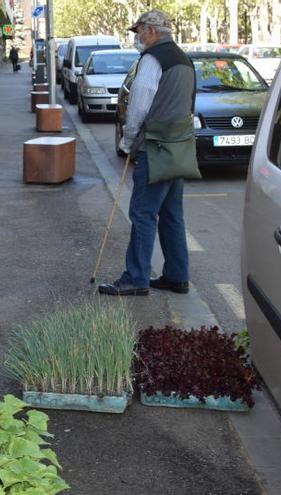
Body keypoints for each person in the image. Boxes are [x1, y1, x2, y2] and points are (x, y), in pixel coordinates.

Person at [98, 10, 196, 296]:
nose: (137, 36)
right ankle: (177, 276)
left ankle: (136, 277)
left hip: (155, 146)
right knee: (171, 214)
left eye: (138, 30)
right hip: (179, 147)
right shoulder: (183, 58)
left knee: (142, 213)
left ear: (151, 30)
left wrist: (128, 140)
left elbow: (140, 102)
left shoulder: (152, 59)